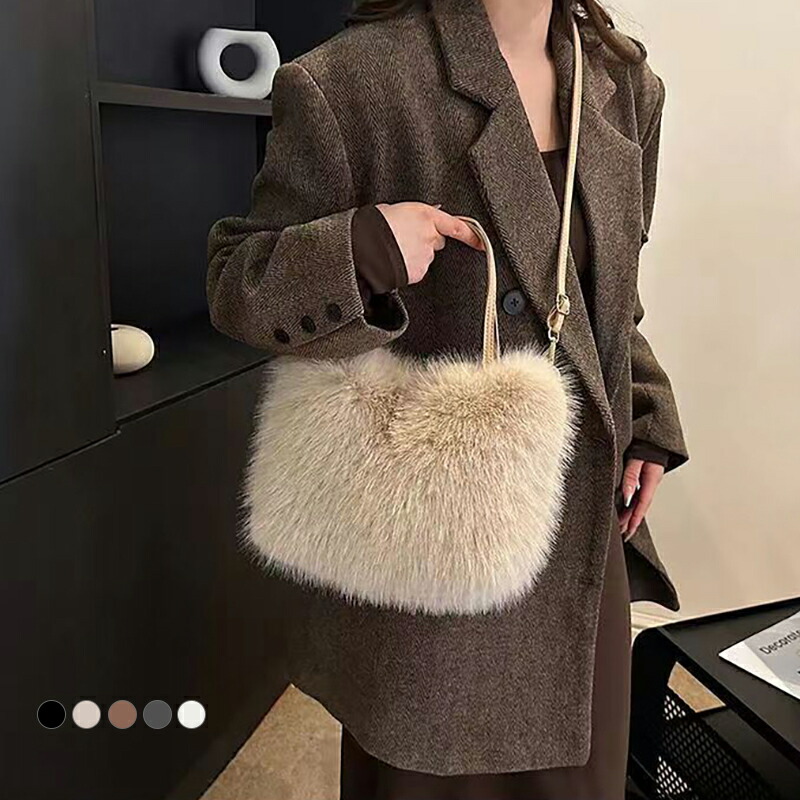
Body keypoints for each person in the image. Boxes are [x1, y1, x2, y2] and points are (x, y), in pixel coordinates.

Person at [206, 0, 690, 796]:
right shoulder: (353, 80)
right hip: (436, 536)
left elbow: (602, 299)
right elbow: (238, 283)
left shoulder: (626, 85)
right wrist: (361, 249)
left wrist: (645, 416)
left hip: (576, 527)